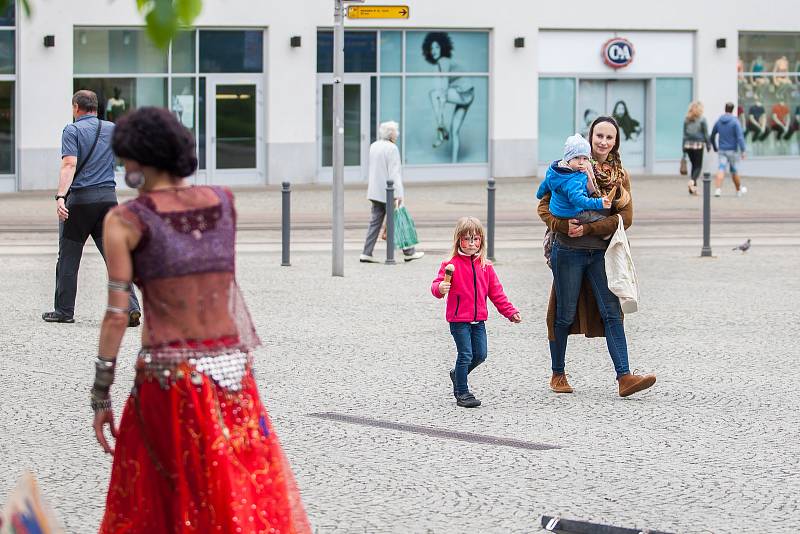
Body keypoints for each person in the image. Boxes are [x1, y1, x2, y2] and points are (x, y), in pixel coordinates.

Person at [90, 107, 310, 533]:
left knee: (164, 504)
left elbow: (118, 314)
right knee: (232, 493)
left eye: (126, 158)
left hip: (169, 381)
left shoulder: (125, 219)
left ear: (139, 158)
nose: (124, 167)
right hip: (233, 376)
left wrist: (101, 394)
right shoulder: (224, 202)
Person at [537, 116, 656, 398]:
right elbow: (543, 207)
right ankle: (558, 374)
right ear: (590, 138)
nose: (603, 142)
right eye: (598, 136)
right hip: (568, 250)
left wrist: (590, 227)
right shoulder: (570, 166)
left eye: (609, 137)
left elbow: (624, 219)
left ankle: (625, 377)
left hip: (602, 253)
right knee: (564, 313)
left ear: (615, 143)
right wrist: (562, 225)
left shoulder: (620, 176)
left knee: (611, 311)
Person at [42, 90, 140, 326]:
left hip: (81, 202)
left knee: (69, 256)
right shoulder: (112, 128)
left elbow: (69, 164)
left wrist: (60, 196)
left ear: (76, 107)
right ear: (96, 107)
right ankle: (131, 308)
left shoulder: (72, 130)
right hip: (107, 200)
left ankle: (64, 311)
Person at [431, 217, 521, 408]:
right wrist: (440, 288)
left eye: (476, 239)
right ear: (458, 240)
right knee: (465, 354)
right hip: (458, 319)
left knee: (480, 354)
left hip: (478, 319)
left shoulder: (485, 266)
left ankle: (457, 374)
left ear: (481, 241)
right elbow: (436, 286)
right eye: (467, 239)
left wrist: (510, 312)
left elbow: (497, 293)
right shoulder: (450, 264)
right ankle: (462, 392)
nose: (472, 243)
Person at [360, 121, 425, 263]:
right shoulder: (392, 148)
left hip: (375, 191)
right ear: (391, 134)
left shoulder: (374, 146)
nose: (397, 135)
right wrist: (399, 194)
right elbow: (394, 173)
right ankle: (409, 252)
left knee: (375, 222)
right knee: (400, 220)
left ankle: (366, 252)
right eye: (396, 132)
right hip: (389, 192)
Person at [422, 32, 475, 163]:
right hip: (468, 95)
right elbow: (443, 88)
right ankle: (454, 163)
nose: (434, 51)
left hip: (463, 93)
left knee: (433, 94)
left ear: (443, 48)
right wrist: (442, 100)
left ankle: (441, 128)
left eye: (437, 47)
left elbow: (444, 83)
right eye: (432, 48)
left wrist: (441, 112)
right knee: (455, 131)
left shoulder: (443, 60)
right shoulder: (444, 63)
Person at [710, 102, 748, 198]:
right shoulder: (735, 122)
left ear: (725, 109)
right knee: (734, 170)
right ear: (733, 110)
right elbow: (740, 137)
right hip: (733, 151)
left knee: (721, 168)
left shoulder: (719, 121)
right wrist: (743, 150)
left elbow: (712, 135)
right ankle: (738, 190)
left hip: (722, 150)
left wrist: (715, 147)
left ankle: (718, 190)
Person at [682, 101, 711, 195]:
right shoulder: (702, 119)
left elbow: (684, 135)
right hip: (698, 145)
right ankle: (692, 181)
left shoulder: (687, 119)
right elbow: (706, 134)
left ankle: (692, 190)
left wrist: (683, 148)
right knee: (698, 166)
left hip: (688, 145)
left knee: (694, 166)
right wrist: (708, 144)